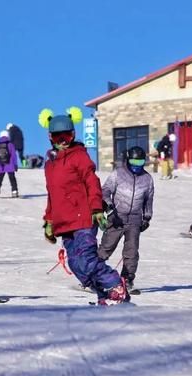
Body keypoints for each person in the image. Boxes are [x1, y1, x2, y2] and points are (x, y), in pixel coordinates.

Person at [39, 107, 128, 305]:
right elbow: (53, 196)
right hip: (64, 222)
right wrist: (49, 221)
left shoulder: (79, 156)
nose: (63, 140)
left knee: (86, 259)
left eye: (67, 135)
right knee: (76, 265)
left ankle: (115, 285)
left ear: (73, 135)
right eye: (57, 136)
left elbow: (92, 182)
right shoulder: (50, 164)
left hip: (83, 217)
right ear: (50, 137)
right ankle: (103, 293)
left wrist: (97, 209)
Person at [97, 146, 154, 292]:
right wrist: (109, 208)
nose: (137, 166)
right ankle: (93, 276)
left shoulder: (147, 179)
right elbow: (105, 191)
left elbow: (148, 200)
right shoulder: (118, 174)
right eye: (134, 162)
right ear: (128, 160)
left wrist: (146, 217)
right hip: (117, 217)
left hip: (135, 219)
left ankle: (127, 280)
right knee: (106, 247)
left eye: (140, 162)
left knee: (132, 252)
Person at [0, 130, 19, 197]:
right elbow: (14, 155)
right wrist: (15, 164)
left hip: (0, 165)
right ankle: (14, 192)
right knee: (12, 179)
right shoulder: (10, 144)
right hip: (10, 165)